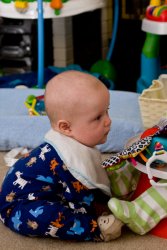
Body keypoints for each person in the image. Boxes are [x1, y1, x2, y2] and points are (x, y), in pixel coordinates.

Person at [0, 70, 123, 242]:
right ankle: (95, 229)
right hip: (19, 206)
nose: (108, 121)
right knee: (49, 217)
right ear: (66, 128)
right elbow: (79, 196)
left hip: (46, 192)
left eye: (107, 111)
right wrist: (100, 208)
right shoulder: (66, 160)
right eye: (97, 117)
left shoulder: (76, 143)